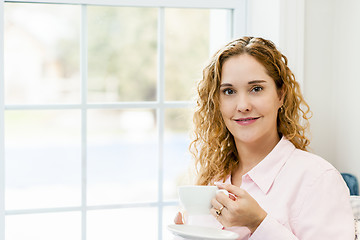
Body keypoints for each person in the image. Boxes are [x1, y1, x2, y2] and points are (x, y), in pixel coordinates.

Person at [173, 36, 355, 239]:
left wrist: (258, 222)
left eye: (256, 89)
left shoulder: (318, 179)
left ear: (281, 95)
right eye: (229, 91)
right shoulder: (211, 179)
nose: (242, 105)